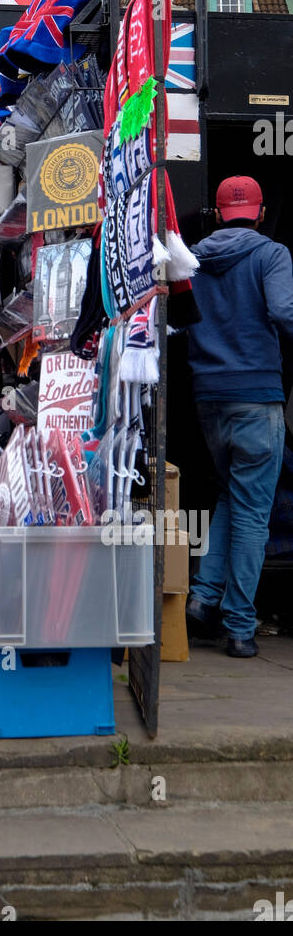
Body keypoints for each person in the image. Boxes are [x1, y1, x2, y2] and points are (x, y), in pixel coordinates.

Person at [185, 176, 293, 658]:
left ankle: (205, 595)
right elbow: (284, 310)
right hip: (256, 395)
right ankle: (240, 626)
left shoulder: (192, 256)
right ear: (261, 212)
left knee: (235, 495)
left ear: (217, 212)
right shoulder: (272, 255)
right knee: (254, 511)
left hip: (209, 397)